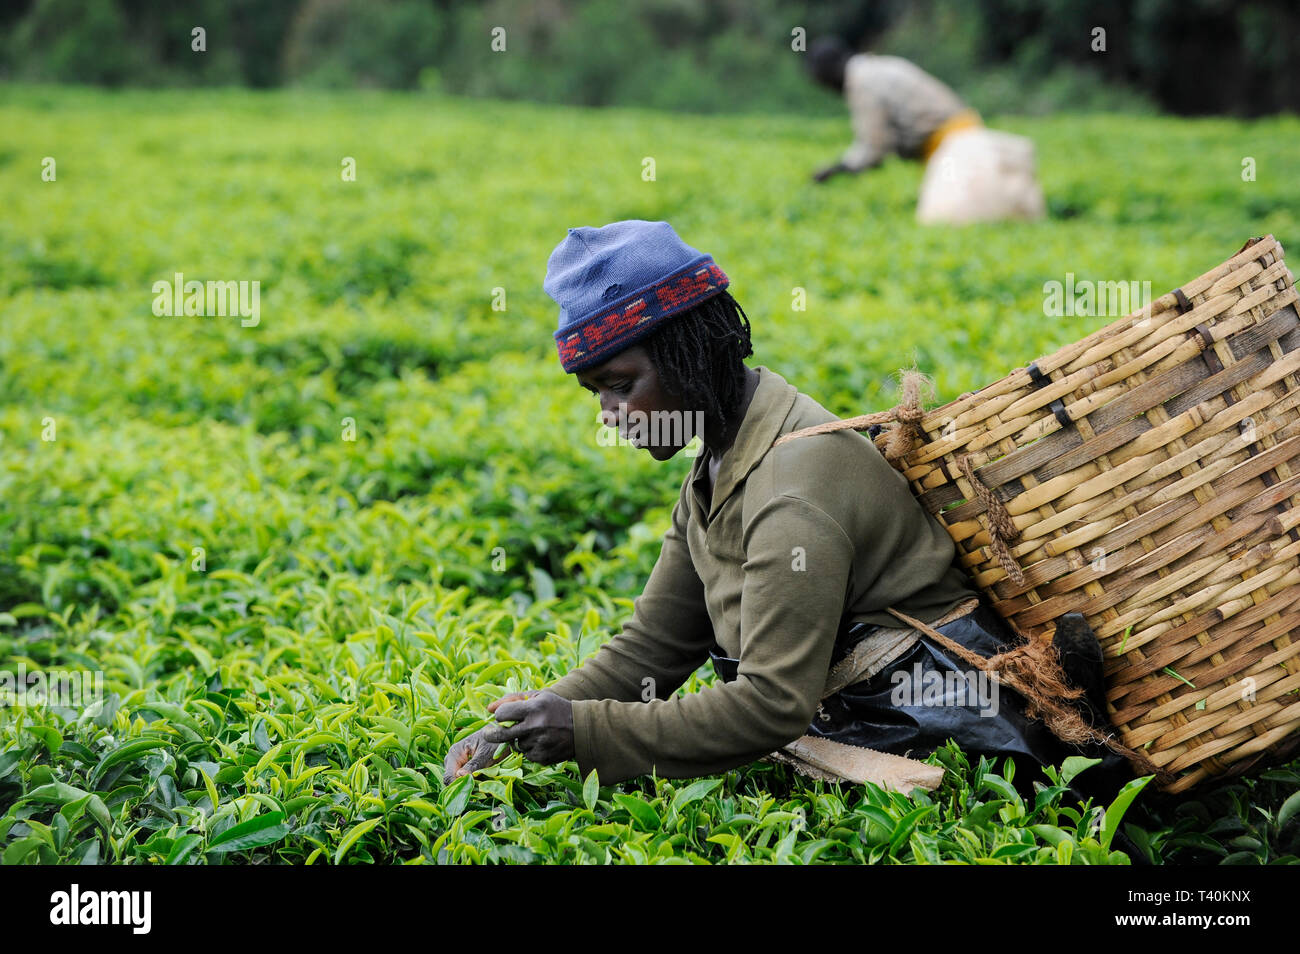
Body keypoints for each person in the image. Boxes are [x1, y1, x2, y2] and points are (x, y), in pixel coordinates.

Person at [442, 219, 1132, 801]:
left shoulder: (792, 489)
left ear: (689, 353)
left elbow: (769, 705)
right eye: (596, 394)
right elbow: (654, 648)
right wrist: (521, 723)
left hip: (963, 740)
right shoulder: (722, 458)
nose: (610, 416)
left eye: (621, 386)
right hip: (868, 724)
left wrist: (585, 732)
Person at [806, 38, 1046, 225]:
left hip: (956, 150)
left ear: (828, 71)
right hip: (968, 139)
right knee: (997, 213)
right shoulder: (881, 66)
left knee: (951, 222)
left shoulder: (862, 84)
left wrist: (836, 171)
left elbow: (873, 148)